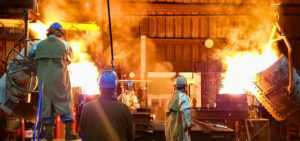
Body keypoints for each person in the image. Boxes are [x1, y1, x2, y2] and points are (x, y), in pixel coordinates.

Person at [29, 22, 79, 140]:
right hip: (61, 81)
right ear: (58, 32)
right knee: (65, 102)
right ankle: (69, 132)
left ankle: (49, 135)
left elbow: (31, 55)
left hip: (44, 82)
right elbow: (71, 58)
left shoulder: (38, 44)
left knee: (47, 106)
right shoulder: (65, 45)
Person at [80, 71, 135, 141]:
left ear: (99, 88)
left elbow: (82, 131)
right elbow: (131, 135)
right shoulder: (124, 109)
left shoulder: (87, 108)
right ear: (115, 89)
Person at [165, 76, 192, 141]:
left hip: (169, 128)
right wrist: (188, 124)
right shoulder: (182, 96)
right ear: (184, 87)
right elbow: (186, 110)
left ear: (175, 87)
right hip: (178, 127)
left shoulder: (170, 98)